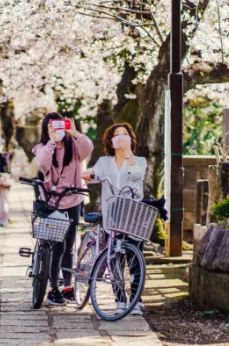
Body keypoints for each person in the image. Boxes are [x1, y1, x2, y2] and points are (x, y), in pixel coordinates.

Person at [82, 122, 147, 314]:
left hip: (133, 216)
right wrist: (88, 174)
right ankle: (120, 300)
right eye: (116, 134)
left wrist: (128, 153)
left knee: (135, 260)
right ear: (110, 140)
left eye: (124, 134)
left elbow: (137, 176)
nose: (120, 137)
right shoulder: (104, 162)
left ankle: (136, 300)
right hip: (112, 217)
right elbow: (94, 175)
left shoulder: (139, 161)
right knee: (115, 260)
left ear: (131, 138)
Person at [33, 112, 94, 306]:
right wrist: (52, 142)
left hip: (73, 200)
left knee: (69, 245)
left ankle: (67, 286)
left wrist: (75, 133)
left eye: (60, 126)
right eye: (53, 127)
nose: (57, 130)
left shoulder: (74, 148)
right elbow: (43, 164)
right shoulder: (43, 148)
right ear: (47, 129)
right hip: (52, 202)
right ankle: (53, 288)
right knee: (56, 246)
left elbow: (88, 148)